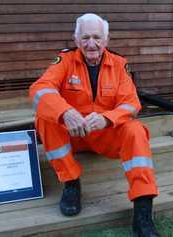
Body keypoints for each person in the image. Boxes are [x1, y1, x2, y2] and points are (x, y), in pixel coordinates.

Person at [29, 13, 160, 237]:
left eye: (97, 38)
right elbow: (39, 89)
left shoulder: (119, 64)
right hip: (72, 136)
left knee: (135, 129)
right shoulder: (65, 61)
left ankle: (143, 210)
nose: (92, 44)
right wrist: (65, 112)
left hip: (104, 137)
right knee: (45, 117)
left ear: (106, 40)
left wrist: (107, 118)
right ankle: (71, 183)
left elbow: (131, 104)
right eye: (86, 37)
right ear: (76, 39)